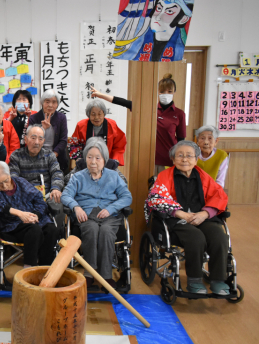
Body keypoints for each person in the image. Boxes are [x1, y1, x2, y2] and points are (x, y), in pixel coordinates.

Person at [145, 140, 230, 295]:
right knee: (195, 237)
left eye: (189, 156)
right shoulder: (164, 176)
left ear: (196, 159)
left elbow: (219, 195)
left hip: (202, 217)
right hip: (176, 219)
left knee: (219, 237)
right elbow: (156, 198)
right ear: (173, 159)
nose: (185, 159)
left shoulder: (203, 176)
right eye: (180, 155)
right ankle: (195, 280)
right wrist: (180, 213)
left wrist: (204, 214)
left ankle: (218, 280)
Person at [61, 139, 132, 287]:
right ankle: (89, 272)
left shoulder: (113, 176)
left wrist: (111, 209)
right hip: (86, 214)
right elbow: (65, 195)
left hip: (110, 215)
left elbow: (127, 197)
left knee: (106, 232)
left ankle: (106, 276)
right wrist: (76, 207)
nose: (93, 161)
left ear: (104, 160)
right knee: (91, 230)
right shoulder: (78, 177)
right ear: (85, 158)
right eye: (89, 157)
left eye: (97, 158)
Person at [0, 161, 62, 268]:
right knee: (34, 230)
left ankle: (46, 267)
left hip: (34, 219)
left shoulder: (20, 182)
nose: (4, 185)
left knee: (52, 230)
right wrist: (19, 213)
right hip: (12, 224)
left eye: (6, 180)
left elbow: (39, 200)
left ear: (9, 175)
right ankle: (29, 267)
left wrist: (36, 215)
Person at [115, 0, 194, 62]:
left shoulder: (179, 45)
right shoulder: (137, 36)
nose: (158, 17)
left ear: (183, 19)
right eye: (159, 8)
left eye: (169, 11)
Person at [9, 124, 64, 204]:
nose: (36, 142)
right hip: (24, 194)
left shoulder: (49, 155)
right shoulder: (16, 156)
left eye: (40, 139)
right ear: (26, 139)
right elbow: (14, 177)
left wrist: (56, 188)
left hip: (47, 195)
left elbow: (57, 173)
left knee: (58, 200)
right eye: (33, 138)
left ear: (43, 141)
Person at [69, 99, 128, 166]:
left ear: (104, 114)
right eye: (93, 114)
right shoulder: (81, 125)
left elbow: (119, 144)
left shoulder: (112, 125)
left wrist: (115, 159)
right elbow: (73, 144)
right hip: (86, 163)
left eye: (100, 114)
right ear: (88, 115)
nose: (97, 117)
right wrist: (78, 158)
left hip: (107, 163)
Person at [28, 89, 69, 170]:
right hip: (37, 157)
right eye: (47, 101)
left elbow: (63, 140)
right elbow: (31, 139)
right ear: (42, 103)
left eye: (54, 102)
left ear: (57, 104)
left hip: (57, 158)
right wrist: (43, 128)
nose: (50, 105)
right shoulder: (33, 118)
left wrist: (53, 155)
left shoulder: (62, 118)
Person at [155, 73, 186, 174]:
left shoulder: (179, 114)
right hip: (151, 158)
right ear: (158, 92)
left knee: (169, 188)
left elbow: (181, 139)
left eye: (169, 91)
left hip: (170, 159)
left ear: (174, 92)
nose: (166, 94)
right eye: (162, 91)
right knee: (152, 188)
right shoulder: (151, 111)